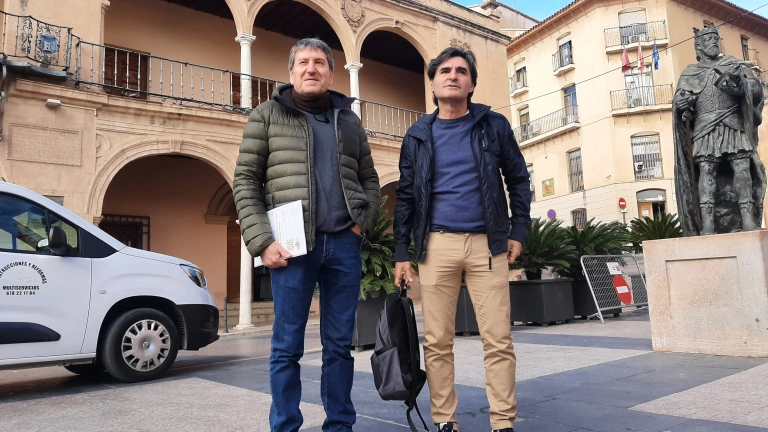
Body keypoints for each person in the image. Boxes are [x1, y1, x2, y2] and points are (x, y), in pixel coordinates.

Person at [233, 38, 380, 432]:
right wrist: (262, 241)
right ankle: (285, 426)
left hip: (344, 244)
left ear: (331, 74)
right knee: (286, 347)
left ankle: (340, 426)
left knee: (339, 346)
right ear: (291, 71)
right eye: (303, 62)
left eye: (319, 62)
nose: (311, 68)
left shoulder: (348, 121)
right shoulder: (266, 115)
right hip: (292, 247)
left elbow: (369, 177)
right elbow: (245, 180)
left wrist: (361, 223)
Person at [393, 47, 532, 432]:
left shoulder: (494, 125)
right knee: (437, 342)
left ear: (471, 83)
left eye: (461, 71)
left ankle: (503, 422)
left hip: (489, 245)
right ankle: (445, 421)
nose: (452, 76)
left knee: (498, 340)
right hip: (436, 247)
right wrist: (402, 252)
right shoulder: (417, 135)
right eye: (444, 71)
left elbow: (518, 179)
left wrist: (518, 229)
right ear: (433, 83)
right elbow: (405, 196)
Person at [672, 23, 766, 236]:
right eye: (708, 39)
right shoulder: (690, 73)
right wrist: (683, 105)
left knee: (742, 167)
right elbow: (681, 102)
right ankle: (707, 225)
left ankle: (748, 220)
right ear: (699, 46)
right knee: (707, 171)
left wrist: (742, 88)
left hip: (733, 123)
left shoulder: (735, 65)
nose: (713, 42)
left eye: (716, 38)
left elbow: (755, 89)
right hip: (705, 127)